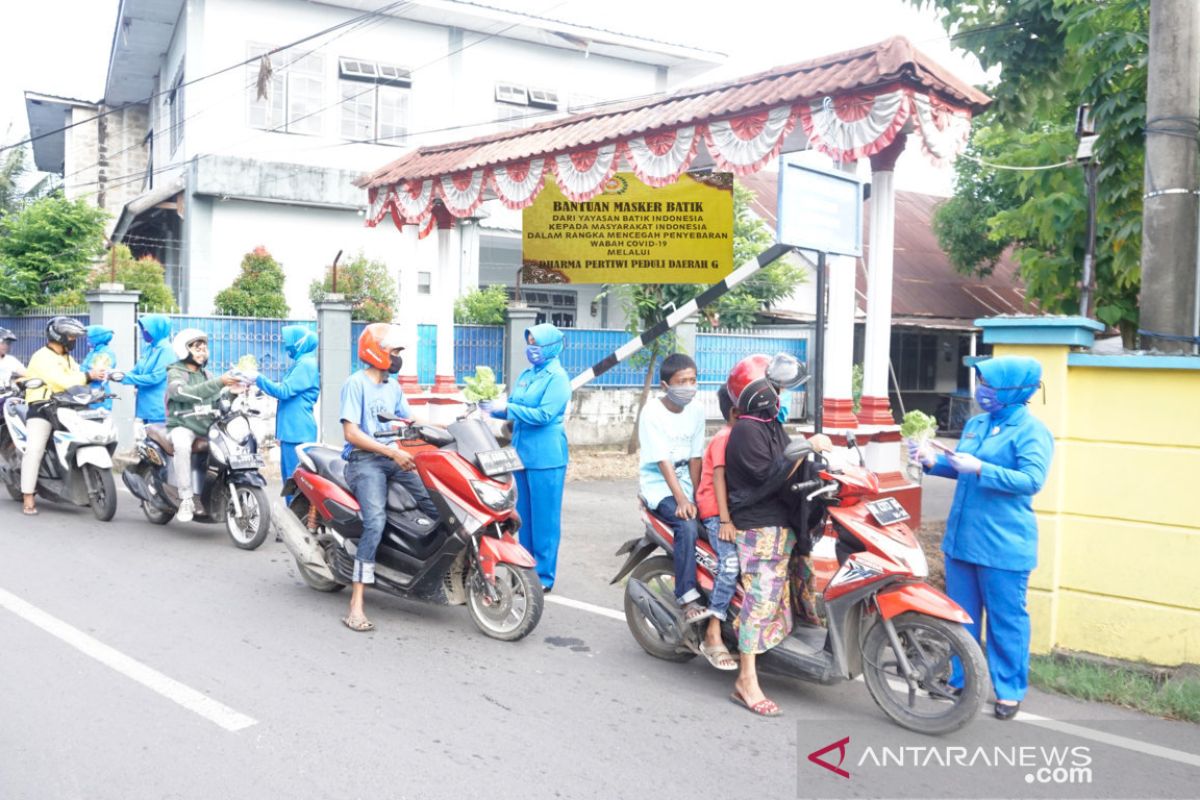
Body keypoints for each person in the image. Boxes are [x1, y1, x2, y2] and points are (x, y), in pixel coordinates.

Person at [908, 356, 1054, 720]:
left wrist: (983, 468)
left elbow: (1031, 481)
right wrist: (930, 460)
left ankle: (1008, 690)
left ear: (1016, 390)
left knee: (1007, 621)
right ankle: (964, 678)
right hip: (963, 541)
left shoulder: (1032, 432)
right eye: (981, 383)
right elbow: (960, 467)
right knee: (962, 618)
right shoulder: (976, 424)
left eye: (990, 385)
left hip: (1004, 545)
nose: (982, 391)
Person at [724, 353, 829, 717]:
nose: (779, 395)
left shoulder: (769, 426)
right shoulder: (746, 431)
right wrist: (804, 449)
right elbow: (770, 476)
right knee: (762, 599)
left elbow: (791, 466)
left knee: (791, 587)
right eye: (774, 387)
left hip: (779, 521)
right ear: (758, 392)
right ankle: (746, 680)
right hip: (757, 527)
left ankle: (781, 648)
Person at [340, 323, 439, 633]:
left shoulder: (393, 387)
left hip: (393, 457)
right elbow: (351, 432)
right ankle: (356, 603)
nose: (398, 358)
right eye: (394, 352)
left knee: (436, 503)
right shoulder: (355, 384)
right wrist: (391, 452)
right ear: (376, 352)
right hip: (364, 461)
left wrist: (449, 430)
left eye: (398, 352)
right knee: (375, 522)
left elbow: (410, 418)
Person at [481, 323, 571, 592]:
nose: (532, 349)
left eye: (537, 344)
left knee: (545, 521)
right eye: (529, 343)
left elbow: (544, 415)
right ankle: (525, 570)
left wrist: (507, 407)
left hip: (547, 455)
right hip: (521, 453)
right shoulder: (527, 374)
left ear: (552, 347)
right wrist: (491, 409)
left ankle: (543, 577)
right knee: (524, 519)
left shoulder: (558, 377)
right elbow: (513, 407)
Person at [637, 352, 707, 622]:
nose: (689, 387)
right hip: (659, 486)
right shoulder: (652, 412)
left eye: (693, 380)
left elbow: (695, 457)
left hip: (687, 481)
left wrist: (699, 496)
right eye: (682, 381)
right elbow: (663, 461)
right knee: (686, 525)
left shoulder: (698, 410)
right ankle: (686, 595)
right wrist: (682, 501)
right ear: (666, 386)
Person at [21, 317, 105, 515]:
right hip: (42, 407)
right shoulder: (41, 356)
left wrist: (94, 383)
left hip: (66, 406)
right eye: (71, 336)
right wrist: (88, 376)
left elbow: (76, 381)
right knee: (34, 450)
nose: (74, 340)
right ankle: (28, 496)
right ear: (60, 337)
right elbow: (59, 381)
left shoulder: (67, 357)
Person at [165, 329, 238, 523]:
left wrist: (233, 392)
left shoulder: (207, 374)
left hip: (206, 425)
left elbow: (217, 399)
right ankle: (186, 498)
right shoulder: (176, 372)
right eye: (197, 348)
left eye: (204, 348)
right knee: (181, 445)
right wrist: (219, 382)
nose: (202, 352)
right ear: (184, 350)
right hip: (183, 424)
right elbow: (181, 392)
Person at [692, 385, 741, 671]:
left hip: (731, 511)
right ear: (735, 411)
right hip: (714, 512)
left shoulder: (742, 436)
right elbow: (719, 479)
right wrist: (724, 520)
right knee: (730, 564)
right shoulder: (725, 438)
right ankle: (713, 629)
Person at [255, 325, 319, 487]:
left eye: (290, 342)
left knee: (295, 483)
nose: (287, 347)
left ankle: (297, 513)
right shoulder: (301, 363)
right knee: (291, 481)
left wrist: (258, 378)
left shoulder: (306, 364)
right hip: (292, 432)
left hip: (297, 432)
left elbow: (284, 391)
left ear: (300, 343)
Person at [119, 315, 174, 430]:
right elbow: (137, 371)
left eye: (147, 328)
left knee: (157, 443)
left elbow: (155, 377)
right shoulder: (149, 348)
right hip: (144, 406)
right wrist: (117, 375)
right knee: (145, 444)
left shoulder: (167, 350)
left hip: (158, 408)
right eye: (143, 328)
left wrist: (126, 378)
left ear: (158, 329)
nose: (144, 331)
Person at [82, 324, 117, 410]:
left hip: (98, 396)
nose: (87, 339)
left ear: (97, 338)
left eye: (90, 337)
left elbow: (98, 374)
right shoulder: (93, 352)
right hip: (89, 393)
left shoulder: (105, 354)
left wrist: (80, 372)